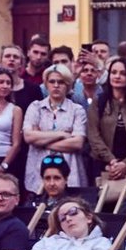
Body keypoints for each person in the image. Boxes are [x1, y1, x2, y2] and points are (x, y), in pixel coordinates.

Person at [86, 56, 126, 198]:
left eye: (123, 73)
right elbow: (93, 135)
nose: (117, 76)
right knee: (102, 205)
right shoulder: (99, 102)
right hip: (103, 165)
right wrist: (112, 161)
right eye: (114, 72)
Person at [21, 64, 87, 196]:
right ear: (46, 84)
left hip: (69, 170)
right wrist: (62, 134)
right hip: (37, 169)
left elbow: (77, 143)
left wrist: (40, 139)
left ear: (68, 85)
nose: (56, 85)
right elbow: (28, 137)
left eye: (61, 82)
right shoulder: (35, 107)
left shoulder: (77, 110)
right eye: (52, 81)